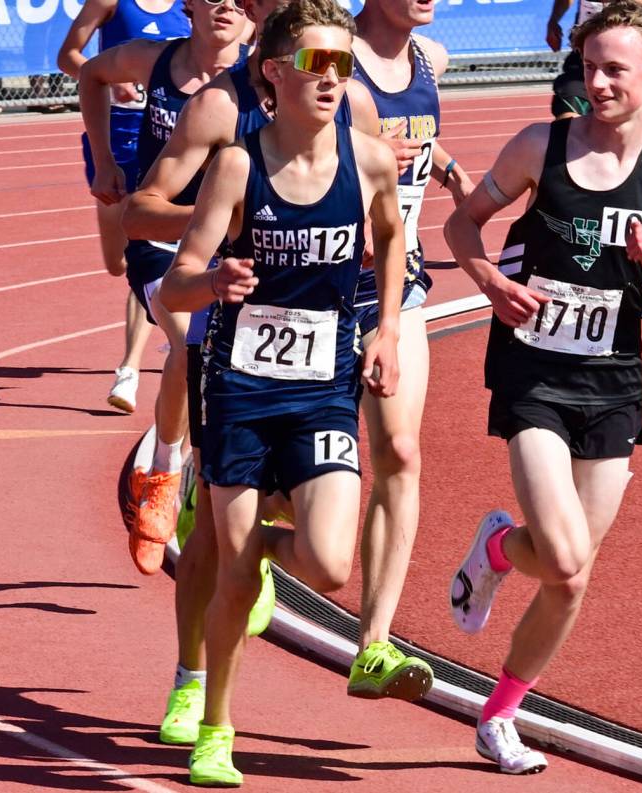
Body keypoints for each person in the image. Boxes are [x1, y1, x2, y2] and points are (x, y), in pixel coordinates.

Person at [444, 0, 642, 774]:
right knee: (561, 556)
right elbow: (464, 226)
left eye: (614, 70)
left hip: (615, 379)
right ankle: (499, 544)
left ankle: (499, 715)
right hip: (533, 370)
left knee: (571, 579)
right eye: (589, 67)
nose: (596, 82)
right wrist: (491, 282)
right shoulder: (540, 144)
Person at [122, 0, 381, 750]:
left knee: (297, 542)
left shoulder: (348, 106)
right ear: (275, 51)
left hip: (319, 358)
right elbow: (142, 212)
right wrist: (231, 223)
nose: (330, 73)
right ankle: (192, 685)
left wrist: (384, 316)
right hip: (230, 348)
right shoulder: (218, 109)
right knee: (212, 551)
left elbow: (386, 220)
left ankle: (259, 546)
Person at [79, 0, 250, 574]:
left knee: (232, 360)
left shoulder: (261, 77)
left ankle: (221, 477)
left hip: (231, 248)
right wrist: (103, 160)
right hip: (160, 240)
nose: (226, 4)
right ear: (190, 5)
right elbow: (91, 72)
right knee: (189, 343)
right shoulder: (156, 61)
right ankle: (164, 472)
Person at [342, 0, 473, 701]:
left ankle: (374, 643)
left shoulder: (431, 61)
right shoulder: (329, 56)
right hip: (317, 285)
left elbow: (415, 140)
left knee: (398, 451)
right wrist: (352, 155)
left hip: (398, 288)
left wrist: (449, 168)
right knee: (291, 477)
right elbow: (271, 115)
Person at [58, 0, 191, 412]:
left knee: (147, 248)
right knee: (117, 263)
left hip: (165, 144)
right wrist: (113, 81)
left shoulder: (191, 9)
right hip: (114, 138)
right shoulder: (111, 2)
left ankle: (129, 369)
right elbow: (68, 56)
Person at [545, 0, 642, 119]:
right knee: (567, 112)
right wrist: (554, 20)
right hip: (584, 55)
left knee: (618, 125)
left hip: (626, 58)